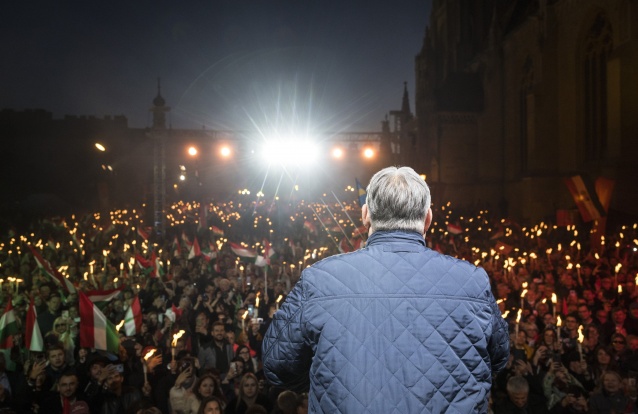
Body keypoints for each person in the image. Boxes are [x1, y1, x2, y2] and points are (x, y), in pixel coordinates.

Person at [262, 166, 510, 413]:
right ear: (428, 218)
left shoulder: (319, 279)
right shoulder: (473, 280)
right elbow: (498, 358)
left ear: (365, 215)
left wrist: (329, 377)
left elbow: (278, 365)